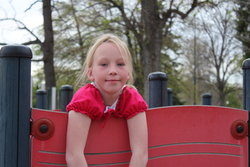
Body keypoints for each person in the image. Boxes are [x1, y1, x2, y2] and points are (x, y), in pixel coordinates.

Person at [65, 34, 148, 167]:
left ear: (128, 73)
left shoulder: (132, 99)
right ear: (91, 73)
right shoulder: (84, 99)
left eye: (120, 64)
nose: (113, 71)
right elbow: (74, 154)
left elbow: (140, 153)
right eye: (104, 64)